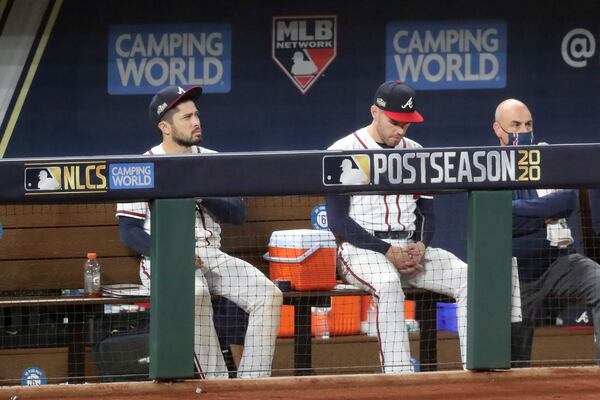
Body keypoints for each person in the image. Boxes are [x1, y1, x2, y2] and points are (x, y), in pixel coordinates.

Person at [116, 85, 283, 379]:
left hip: (211, 256)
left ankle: (251, 385)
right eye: (186, 117)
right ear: (164, 126)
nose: (196, 122)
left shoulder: (213, 159)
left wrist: (201, 192)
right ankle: (216, 386)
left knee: (268, 295)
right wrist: (172, 254)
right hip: (163, 257)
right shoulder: (142, 165)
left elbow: (237, 214)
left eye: (196, 114)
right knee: (195, 293)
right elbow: (129, 231)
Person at [325, 81, 469, 373]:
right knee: (388, 285)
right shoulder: (344, 150)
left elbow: (428, 212)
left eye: (407, 124)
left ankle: (476, 370)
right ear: (374, 111)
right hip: (363, 251)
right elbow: (339, 221)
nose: (401, 131)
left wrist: (422, 245)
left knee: (468, 277)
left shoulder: (415, 151)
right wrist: (387, 250)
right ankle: (398, 377)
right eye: (395, 122)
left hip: (408, 249)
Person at [492, 98, 600, 367]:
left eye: (528, 124)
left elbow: (567, 201)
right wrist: (545, 216)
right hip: (517, 274)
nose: (523, 130)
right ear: (498, 129)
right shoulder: (489, 165)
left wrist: (521, 214)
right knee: (513, 362)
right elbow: (501, 218)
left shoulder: (546, 156)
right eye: (515, 125)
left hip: (560, 263)